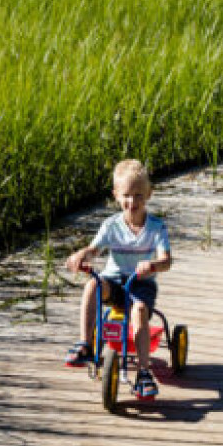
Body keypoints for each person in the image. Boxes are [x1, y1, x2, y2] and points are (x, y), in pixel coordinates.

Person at [62, 159, 173, 399]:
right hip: (114, 283)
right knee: (93, 283)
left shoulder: (156, 227)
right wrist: (82, 254)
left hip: (140, 284)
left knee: (140, 310)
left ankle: (144, 373)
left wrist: (153, 264)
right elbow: (94, 250)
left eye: (138, 196)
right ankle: (85, 344)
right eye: (126, 196)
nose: (132, 202)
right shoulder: (111, 225)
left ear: (149, 194)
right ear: (116, 195)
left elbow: (167, 259)